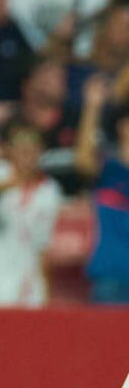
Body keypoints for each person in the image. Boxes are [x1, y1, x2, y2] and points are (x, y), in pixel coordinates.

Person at [0, 121, 62, 307]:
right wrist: (12, 183)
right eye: (21, 149)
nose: (27, 155)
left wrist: (47, 290)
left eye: (32, 150)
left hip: (27, 279)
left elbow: (43, 245)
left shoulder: (49, 191)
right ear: (9, 150)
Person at [75, 77, 129, 303]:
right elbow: (83, 160)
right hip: (109, 273)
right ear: (122, 125)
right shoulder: (109, 167)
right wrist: (92, 108)